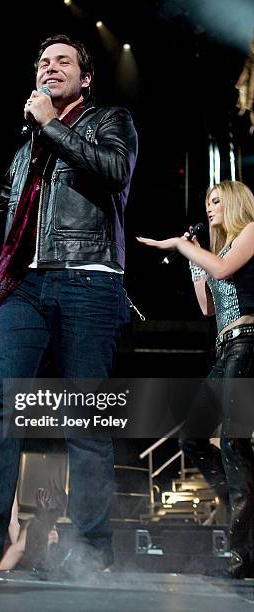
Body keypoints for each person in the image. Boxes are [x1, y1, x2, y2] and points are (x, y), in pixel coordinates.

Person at [0, 33, 138, 588]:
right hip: (25, 287)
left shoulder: (111, 121)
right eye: (43, 61)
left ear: (85, 78)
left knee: (85, 419)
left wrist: (50, 127)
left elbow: (113, 171)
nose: (50, 67)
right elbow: (0, 207)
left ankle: (91, 551)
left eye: (63, 61)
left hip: (89, 278)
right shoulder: (27, 150)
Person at [137, 179, 254, 578]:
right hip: (225, 351)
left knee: (234, 445)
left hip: (248, 344)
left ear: (236, 202)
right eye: (207, 202)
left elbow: (221, 269)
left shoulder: (251, 232)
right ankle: (248, 521)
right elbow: (207, 305)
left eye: (216, 200)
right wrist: (193, 259)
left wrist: (181, 245)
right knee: (192, 437)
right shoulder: (219, 249)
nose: (210, 208)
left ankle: (243, 551)